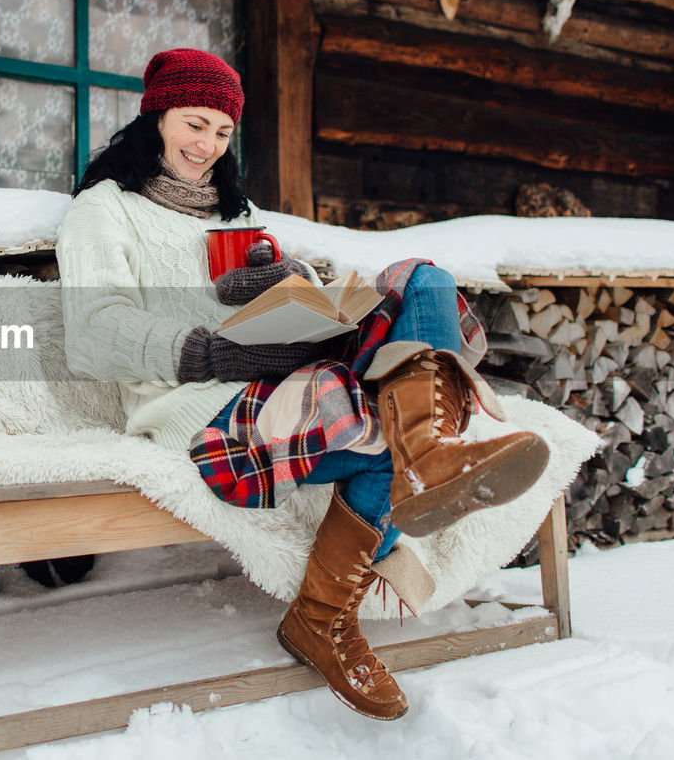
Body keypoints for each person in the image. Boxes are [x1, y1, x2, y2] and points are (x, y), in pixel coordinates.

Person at [56, 48, 550, 721]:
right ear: (158, 116)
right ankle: (328, 609)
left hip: (287, 376)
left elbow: (295, 310)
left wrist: (293, 284)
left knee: (422, 278)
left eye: (223, 132)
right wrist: (210, 350)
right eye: (195, 124)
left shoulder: (237, 212)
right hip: (198, 406)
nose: (207, 145)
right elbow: (93, 330)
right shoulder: (104, 209)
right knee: (377, 431)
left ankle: (425, 446)